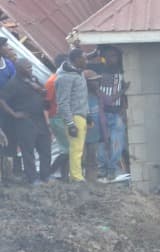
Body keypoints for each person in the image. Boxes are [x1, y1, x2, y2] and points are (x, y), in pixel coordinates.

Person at [86, 45, 129, 182]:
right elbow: (78, 62)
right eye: (110, 56)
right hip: (101, 112)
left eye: (115, 56)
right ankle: (103, 168)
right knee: (101, 143)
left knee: (117, 143)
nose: (113, 59)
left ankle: (111, 169)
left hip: (116, 113)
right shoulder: (97, 68)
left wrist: (123, 110)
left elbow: (124, 96)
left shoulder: (123, 69)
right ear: (103, 57)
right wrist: (94, 54)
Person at [0, 68, 50, 185]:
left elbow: (44, 93)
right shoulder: (13, 84)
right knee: (28, 151)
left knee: (45, 148)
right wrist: (13, 113)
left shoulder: (33, 79)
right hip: (25, 121)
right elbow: (2, 100)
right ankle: (32, 178)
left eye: (31, 67)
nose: (30, 70)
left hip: (40, 118)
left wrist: (40, 89)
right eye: (27, 68)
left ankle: (45, 176)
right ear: (19, 69)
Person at [53, 49, 90, 183]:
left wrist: (88, 114)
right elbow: (63, 102)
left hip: (81, 114)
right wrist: (70, 124)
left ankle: (75, 175)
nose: (86, 61)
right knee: (76, 148)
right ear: (76, 60)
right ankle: (76, 177)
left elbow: (82, 96)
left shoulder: (78, 73)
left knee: (79, 148)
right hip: (74, 116)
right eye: (84, 58)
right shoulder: (65, 78)